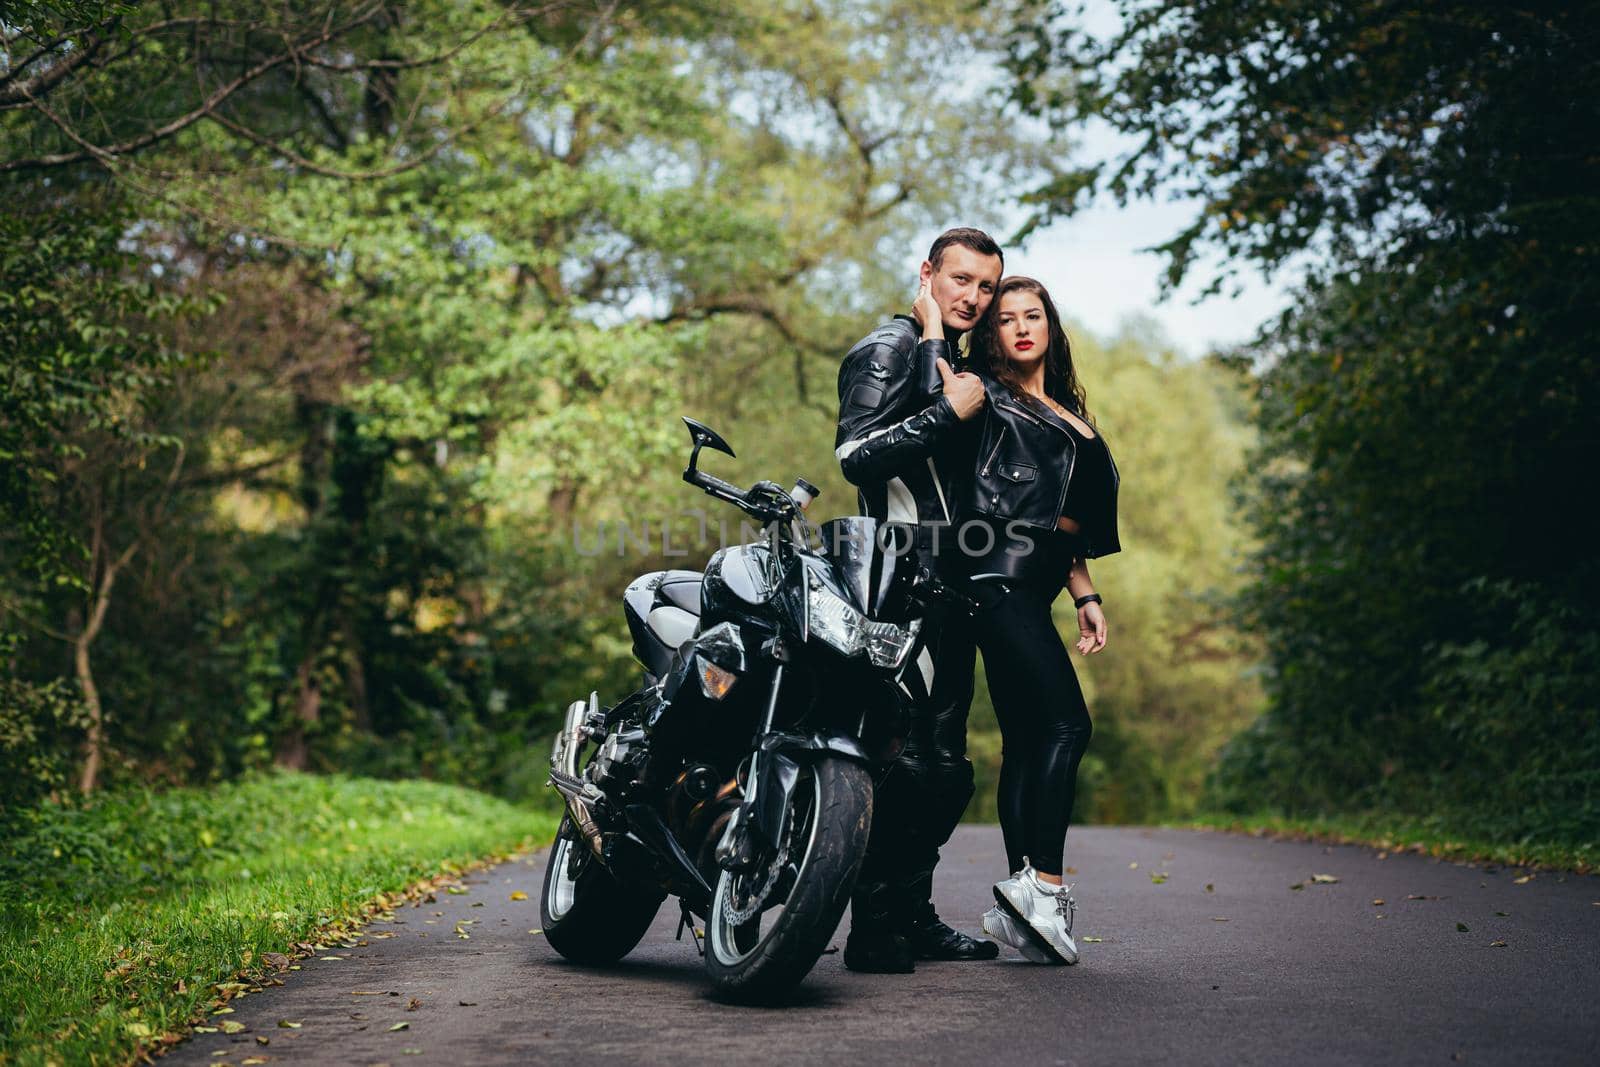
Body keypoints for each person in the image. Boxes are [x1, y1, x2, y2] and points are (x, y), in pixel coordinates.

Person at [833, 227, 1003, 972]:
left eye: (986, 286)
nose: (972, 296)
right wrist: (947, 411)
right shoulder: (888, 349)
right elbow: (854, 454)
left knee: (945, 763)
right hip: (900, 582)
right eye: (959, 279)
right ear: (928, 274)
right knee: (905, 761)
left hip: (953, 589)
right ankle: (872, 928)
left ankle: (912, 912)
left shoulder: (946, 357)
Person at [957, 276, 1119, 965]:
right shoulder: (985, 395)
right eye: (1006, 319)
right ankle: (1045, 889)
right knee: (1066, 724)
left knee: (1027, 738)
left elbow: (1066, 516)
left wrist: (1083, 590)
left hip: (1038, 580)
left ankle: (1024, 899)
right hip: (996, 576)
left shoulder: (1059, 405)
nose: (1022, 327)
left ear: (1051, 324)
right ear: (990, 335)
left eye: (1034, 315)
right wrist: (934, 312)